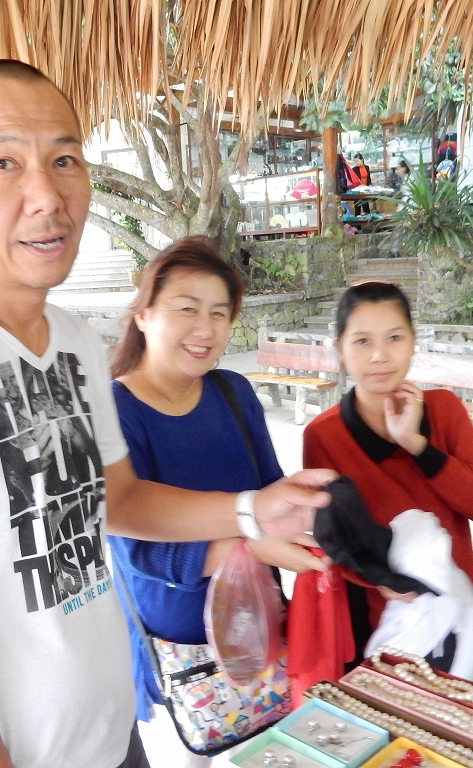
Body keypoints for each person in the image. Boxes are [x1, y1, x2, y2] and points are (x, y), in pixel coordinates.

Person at [0, 59, 333, 768]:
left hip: (114, 738)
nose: (46, 196)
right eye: (3, 163)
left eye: (64, 160)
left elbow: (120, 499)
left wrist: (253, 511)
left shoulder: (75, 342)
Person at [107, 236, 328, 766]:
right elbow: (141, 552)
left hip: (256, 613)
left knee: (273, 746)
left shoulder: (232, 391)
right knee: (201, 751)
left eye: (219, 313)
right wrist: (253, 547)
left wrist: (312, 518)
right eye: (187, 310)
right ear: (143, 315)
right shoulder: (114, 410)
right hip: (181, 635)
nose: (205, 330)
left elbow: (268, 490)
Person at [294, 281, 473, 674]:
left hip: (456, 609)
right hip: (383, 624)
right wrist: (378, 581)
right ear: (340, 348)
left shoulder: (444, 410)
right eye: (362, 341)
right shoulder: (324, 436)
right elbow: (334, 537)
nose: (379, 355)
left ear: (413, 341)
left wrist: (417, 446)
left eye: (394, 338)